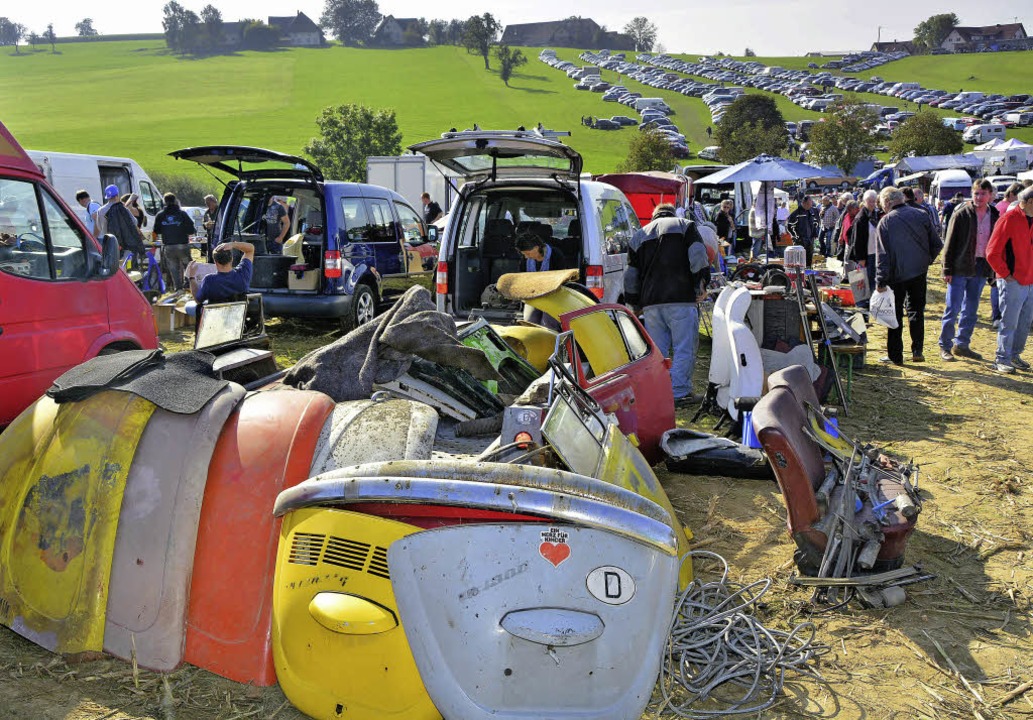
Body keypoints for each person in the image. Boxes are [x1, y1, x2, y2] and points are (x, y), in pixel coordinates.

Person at [624, 203, 710, 407]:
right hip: (681, 297)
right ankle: (679, 393)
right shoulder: (685, 225)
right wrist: (702, 284)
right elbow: (698, 255)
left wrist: (633, 304)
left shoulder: (638, 235)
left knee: (658, 352)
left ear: (654, 216)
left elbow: (630, 276)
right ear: (672, 213)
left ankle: (658, 392)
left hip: (651, 303)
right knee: (684, 347)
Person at [873, 186, 943, 365]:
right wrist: (926, 261)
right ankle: (917, 350)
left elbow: (883, 256)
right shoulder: (921, 214)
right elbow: (937, 244)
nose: (882, 207)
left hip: (897, 275)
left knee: (895, 315)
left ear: (888, 202)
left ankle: (896, 356)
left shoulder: (886, 222)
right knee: (916, 311)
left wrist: (880, 280)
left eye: (882, 204)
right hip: (918, 272)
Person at [939, 179, 999, 362]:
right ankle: (945, 346)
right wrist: (946, 269)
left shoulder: (995, 215)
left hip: (981, 267)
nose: (979, 197)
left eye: (982, 193)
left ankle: (962, 344)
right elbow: (949, 243)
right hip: (959, 267)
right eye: (976, 193)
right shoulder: (962, 214)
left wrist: (995, 269)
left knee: (971, 309)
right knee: (953, 308)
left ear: (990, 195)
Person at [985, 186, 1033, 373]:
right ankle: (1001, 358)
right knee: (1009, 321)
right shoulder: (1009, 219)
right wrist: (1006, 275)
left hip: (1030, 280)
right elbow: (992, 252)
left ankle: (1014, 355)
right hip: (1012, 281)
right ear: (1029, 202)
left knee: (1025, 322)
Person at [515, 233, 566, 329]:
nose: (526, 257)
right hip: (533, 295)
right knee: (529, 322)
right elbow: (521, 278)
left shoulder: (556, 255)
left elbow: (562, 279)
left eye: (528, 253)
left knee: (548, 323)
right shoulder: (525, 260)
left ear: (536, 247)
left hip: (553, 296)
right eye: (524, 254)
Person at [187, 241, 254, 306]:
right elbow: (250, 249)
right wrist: (233, 244)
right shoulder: (243, 274)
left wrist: (192, 278)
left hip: (216, 315)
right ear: (232, 259)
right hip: (238, 314)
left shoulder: (209, 280)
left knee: (189, 306)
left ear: (215, 262)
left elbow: (197, 300)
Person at [153, 192, 196, 293]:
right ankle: (189, 285)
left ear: (164, 202)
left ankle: (179, 289)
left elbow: (156, 230)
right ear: (175, 201)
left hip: (168, 246)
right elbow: (191, 229)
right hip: (182, 245)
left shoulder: (160, 215)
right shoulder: (182, 214)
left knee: (173, 269)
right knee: (188, 266)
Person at [95, 183, 146, 267]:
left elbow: (99, 227)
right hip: (125, 244)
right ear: (117, 195)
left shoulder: (100, 211)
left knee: (111, 268)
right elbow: (134, 221)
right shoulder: (123, 208)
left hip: (109, 244)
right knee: (127, 268)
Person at [848, 190, 881, 304]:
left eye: (874, 201)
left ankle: (870, 302)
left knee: (871, 280)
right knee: (861, 281)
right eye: (870, 201)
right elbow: (857, 240)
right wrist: (861, 258)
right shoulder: (861, 217)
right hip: (864, 255)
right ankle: (862, 305)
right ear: (864, 202)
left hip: (873, 253)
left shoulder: (874, 215)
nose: (872, 204)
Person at [787, 195, 819, 266]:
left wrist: (815, 233)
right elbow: (790, 226)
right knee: (800, 259)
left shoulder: (811, 212)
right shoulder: (796, 213)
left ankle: (808, 272)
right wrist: (797, 237)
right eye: (808, 204)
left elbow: (815, 223)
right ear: (804, 203)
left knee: (809, 258)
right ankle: (800, 274)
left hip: (810, 239)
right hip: (800, 240)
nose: (810, 206)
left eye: (811, 204)